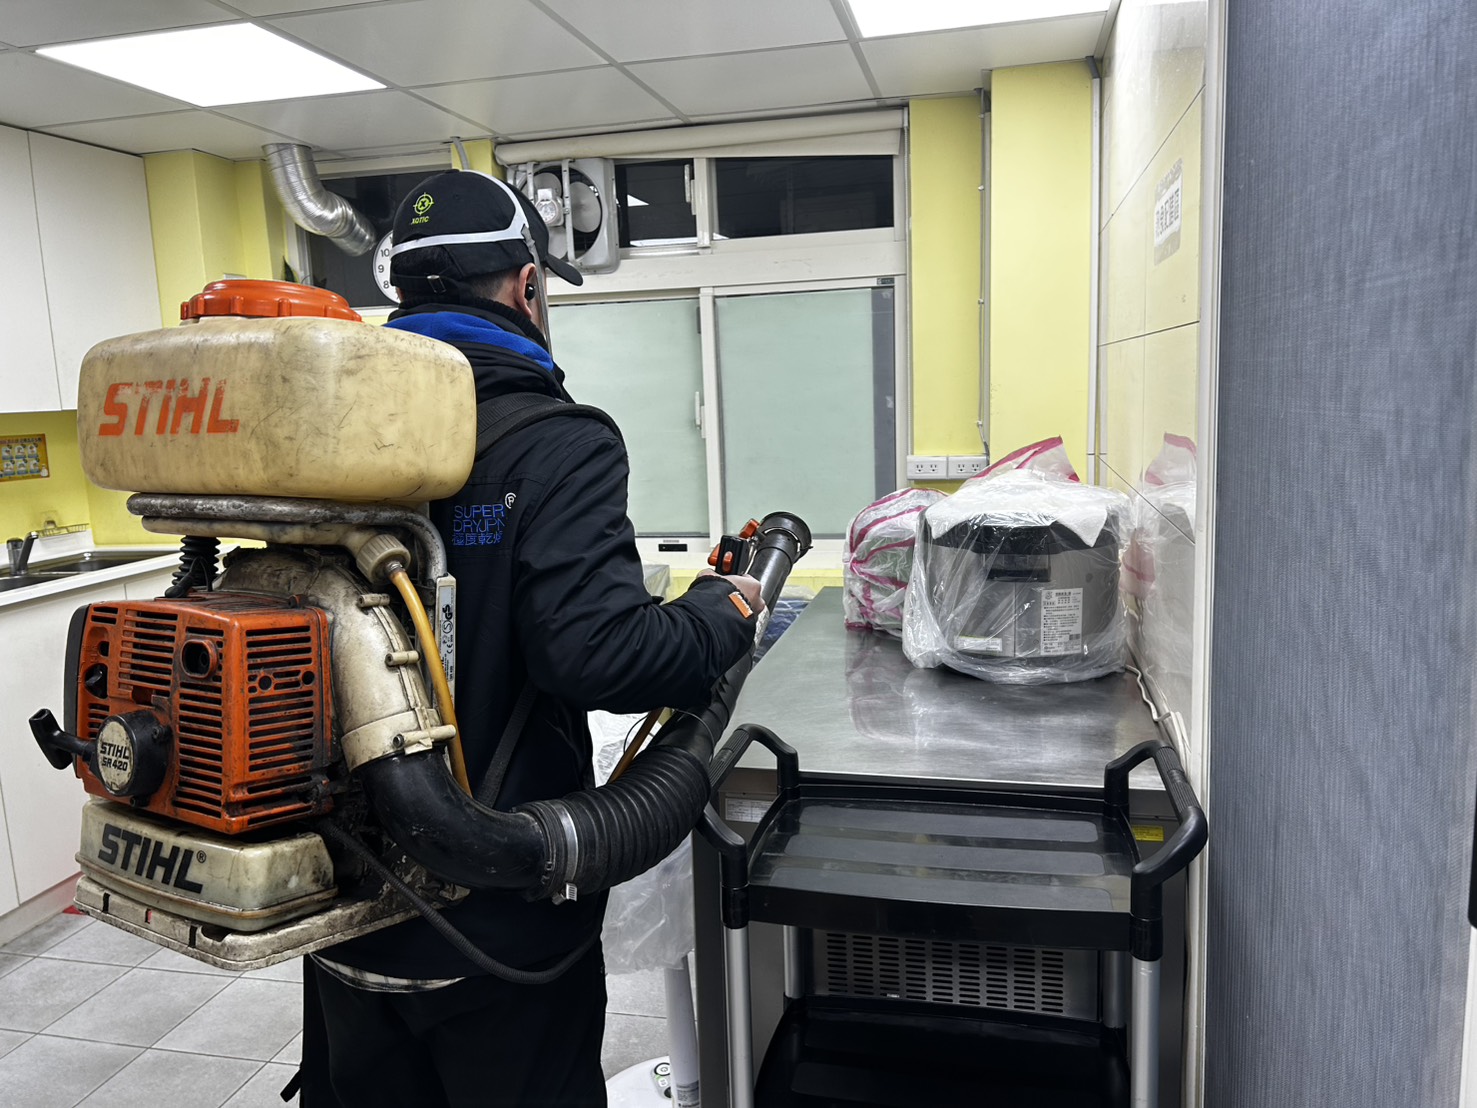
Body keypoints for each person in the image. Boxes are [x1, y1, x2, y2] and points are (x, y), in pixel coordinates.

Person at [298, 169, 764, 1107]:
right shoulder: (555, 439)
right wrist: (720, 614)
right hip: (493, 921)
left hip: (340, 907)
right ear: (526, 286)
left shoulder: (327, 434)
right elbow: (599, 658)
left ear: (404, 293)